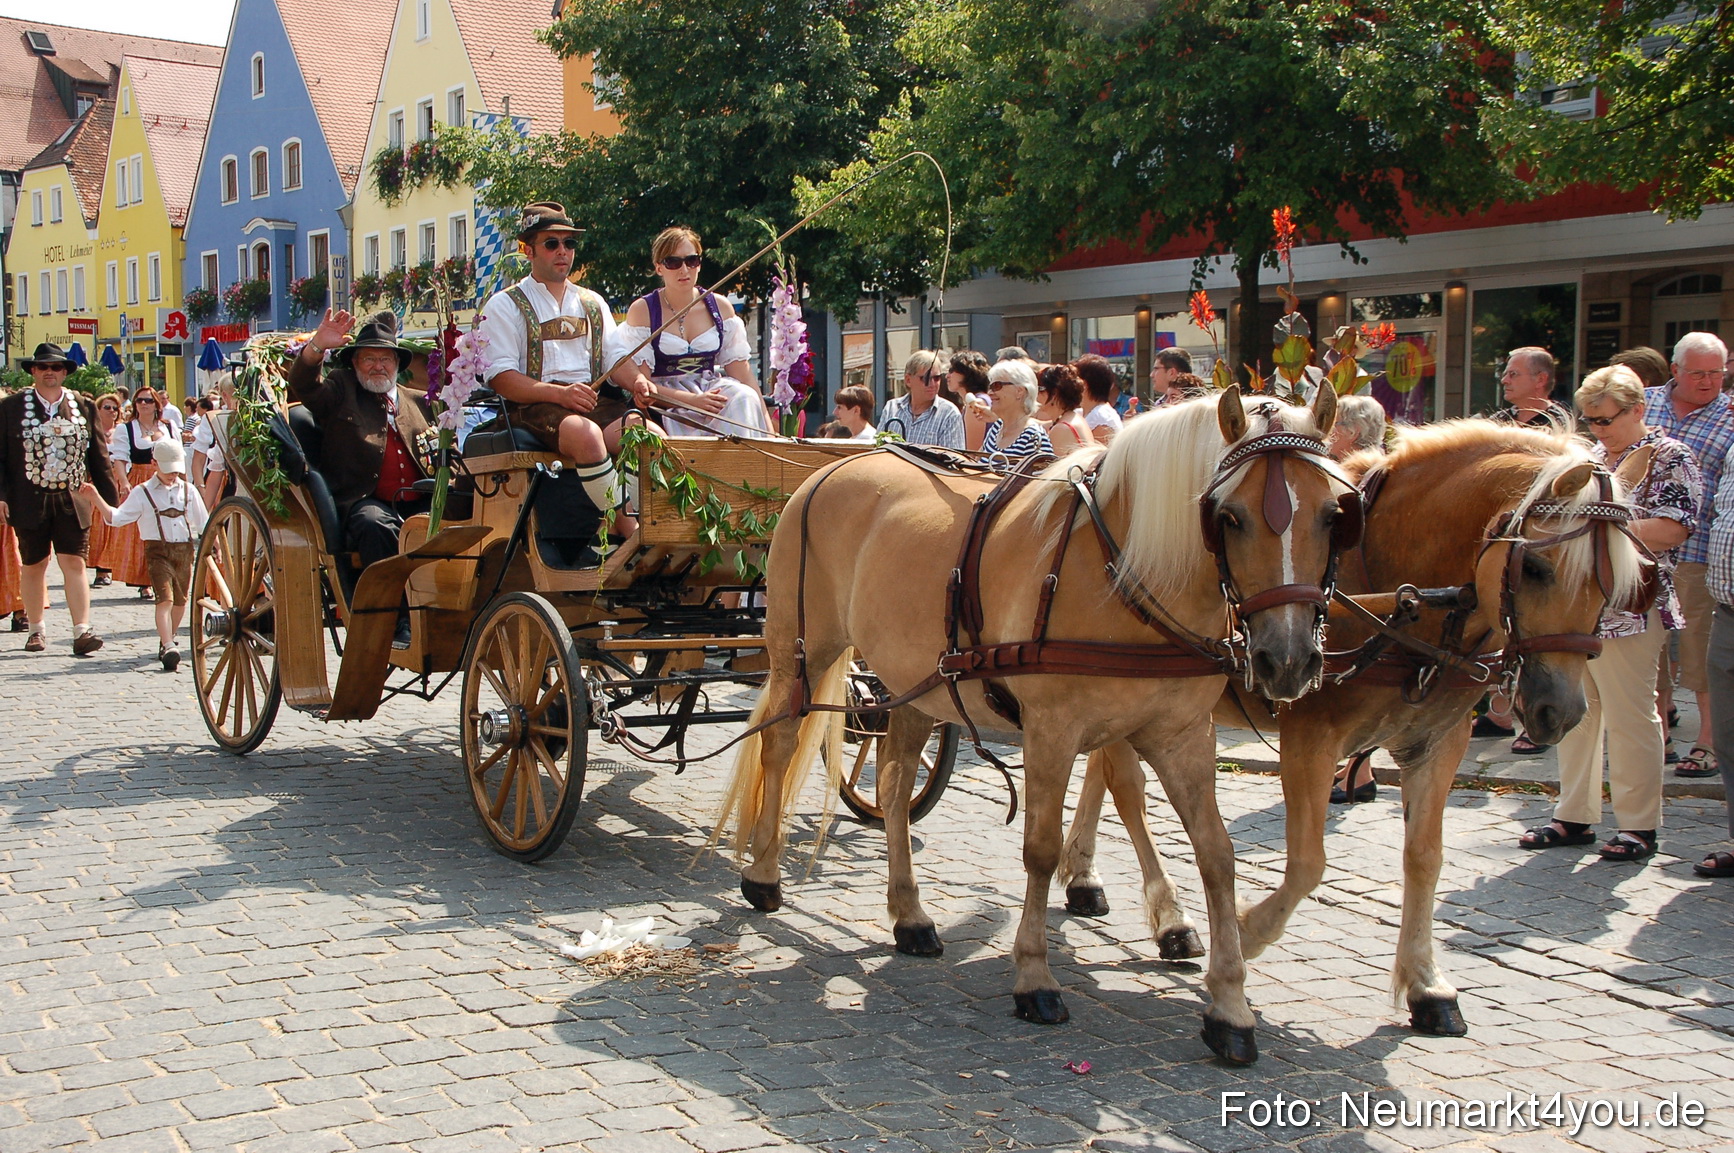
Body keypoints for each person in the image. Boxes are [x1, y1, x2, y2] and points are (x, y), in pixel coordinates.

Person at [1519, 365, 1699, 863]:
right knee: (1578, 711)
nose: (1597, 429)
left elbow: (1674, 528)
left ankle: (1639, 824)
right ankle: (1573, 815)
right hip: (1582, 606)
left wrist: (1602, 527)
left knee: (1629, 715)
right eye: (1590, 420)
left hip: (1633, 606)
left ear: (1638, 410)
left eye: (1605, 419)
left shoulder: (1670, 456)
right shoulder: (1592, 458)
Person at [476, 203, 656, 536]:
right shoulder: (504, 304)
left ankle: (651, 524)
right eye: (552, 243)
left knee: (647, 433)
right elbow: (501, 378)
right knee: (585, 435)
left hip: (588, 399)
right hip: (532, 404)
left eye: (569, 243)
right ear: (528, 250)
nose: (563, 251)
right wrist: (560, 394)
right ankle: (625, 529)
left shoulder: (593, 302)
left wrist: (639, 382)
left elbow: (616, 360)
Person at [289, 309, 434, 649]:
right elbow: (303, 386)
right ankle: (396, 620)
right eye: (368, 358)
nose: (377, 366)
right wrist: (316, 348)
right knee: (376, 526)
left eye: (385, 358)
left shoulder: (417, 401)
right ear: (354, 363)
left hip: (422, 499)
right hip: (364, 501)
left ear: (397, 364)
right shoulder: (341, 390)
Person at [1644, 331, 1733, 778]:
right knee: (1650, 646)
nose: (1708, 381)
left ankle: (1708, 743)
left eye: (1717, 372)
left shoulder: (1731, 417)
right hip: (1640, 548)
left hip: (1697, 551)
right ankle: (1655, 737)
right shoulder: (1642, 403)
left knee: (1698, 649)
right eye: (1697, 372)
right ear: (1674, 370)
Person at [0, 343, 120, 655]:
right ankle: (36, 629)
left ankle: (82, 629)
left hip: (72, 496)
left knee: (74, 562)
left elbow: (99, 456)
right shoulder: (11, 408)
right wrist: (1, 495)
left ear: (65, 372)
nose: (49, 373)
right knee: (34, 563)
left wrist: (110, 504)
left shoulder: (83, 405)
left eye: (56, 367)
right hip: (28, 496)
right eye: (43, 367)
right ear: (34, 372)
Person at [619, 227, 771, 437]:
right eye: (673, 262)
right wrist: (692, 401)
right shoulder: (643, 310)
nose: (684, 270)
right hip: (666, 401)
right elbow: (643, 388)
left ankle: (743, 466)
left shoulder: (720, 307)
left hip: (711, 390)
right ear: (659, 268)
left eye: (691, 261)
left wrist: (768, 428)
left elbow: (743, 375)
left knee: (743, 396)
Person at [80, 439, 209, 671]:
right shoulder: (143, 492)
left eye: (176, 470)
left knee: (180, 601)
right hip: (157, 551)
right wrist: (95, 497)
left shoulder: (188, 492)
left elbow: (204, 523)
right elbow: (116, 518)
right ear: (154, 463)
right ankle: (169, 645)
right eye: (168, 470)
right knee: (165, 599)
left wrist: (215, 544)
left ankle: (166, 638)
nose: (172, 475)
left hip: (184, 551)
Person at [1326, 394, 1390, 803]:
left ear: (1350, 432)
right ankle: (1353, 768)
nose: (1329, 436)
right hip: (1364, 587)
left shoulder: (1368, 473)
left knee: (1362, 679)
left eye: (1333, 428)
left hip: (1366, 590)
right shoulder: (1376, 468)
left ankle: (1358, 771)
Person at [107, 385, 175, 600]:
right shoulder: (126, 429)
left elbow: (178, 454)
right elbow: (120, 459)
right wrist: (124, 482)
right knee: (143, 533)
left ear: (156, 404)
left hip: (166, 480)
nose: (143, 404)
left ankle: (165, 577)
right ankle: (145, 581)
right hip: (141, 478)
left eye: (148, 400)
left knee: (168, 529)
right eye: (139, 401)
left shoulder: (169, 427)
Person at [879, 350, 963, 449]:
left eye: (936, 378)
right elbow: (878, 449)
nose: (932, 384)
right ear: (908, 380)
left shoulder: (949, 414)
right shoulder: (891, 409)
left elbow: (953, 460)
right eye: (925, 378)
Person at [976, 360, 1053, 465]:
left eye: (997, 386)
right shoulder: (997, 428)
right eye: (990, 387)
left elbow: (1042, 480)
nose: (990, 392)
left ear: (1019, 391)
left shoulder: (1034, 437)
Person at [87, 392, 123, 588]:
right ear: (98, 410)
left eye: (115, 408)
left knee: (116, 526)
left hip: (119, 479)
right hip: (99, 480)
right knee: (98, 527)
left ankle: (110, 567)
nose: (112, 411)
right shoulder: (93, 431)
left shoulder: (122, 431)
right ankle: (101, 568)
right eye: (107, 407)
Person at [1491, 346, 1570, 427]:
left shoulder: (1558, 426)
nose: (1504, 380)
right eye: (1504, 374)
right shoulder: (1498, 421)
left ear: (1540, 380)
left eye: (1513, 374)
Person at [1035, 362, 1091, 455]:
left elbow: (1056, 468)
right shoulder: (1072, 418)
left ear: (1054, 394)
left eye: (1040, 389)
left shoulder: (1062, 428)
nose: (1036, 394)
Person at [1073, 354, 1124, 444]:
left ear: (1084, 384)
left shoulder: (1102, 418)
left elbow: (1100, 456)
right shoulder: (1082, 412)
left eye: (1074, 380)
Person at [1329, 395, 1387, 460]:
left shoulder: (1364, 468)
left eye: (1333, 423)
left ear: (1352, 432)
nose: (1327, 428)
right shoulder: (1374, 464)